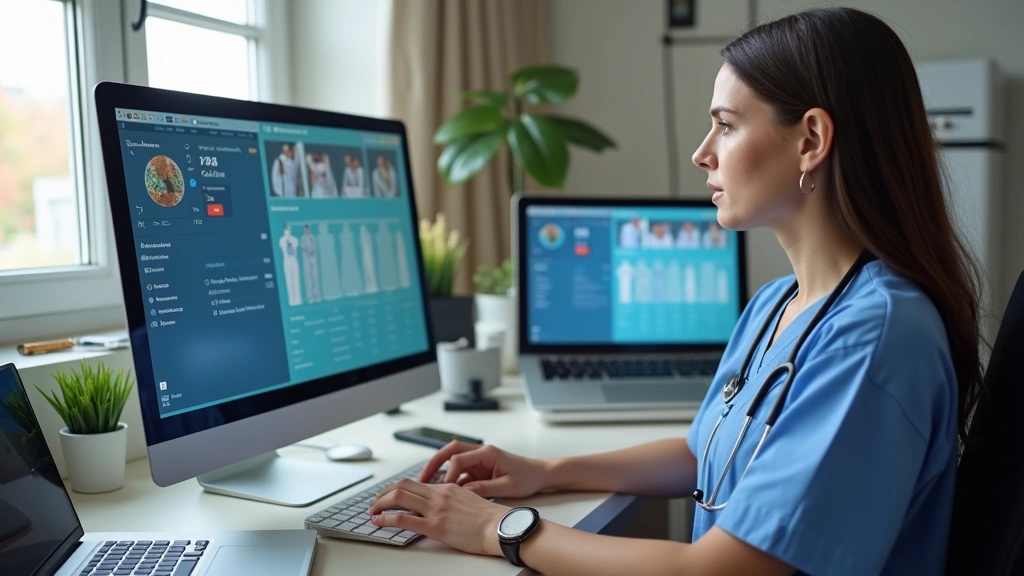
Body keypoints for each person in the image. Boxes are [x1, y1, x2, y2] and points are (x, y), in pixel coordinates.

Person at [365, 8, 983, 576]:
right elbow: (702, 453)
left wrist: (502, 529)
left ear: (811, 140)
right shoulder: (777, 304)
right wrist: (546, 472)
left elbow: (715, 571)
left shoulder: (874, 336)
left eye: (726, 126)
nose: (701, 153)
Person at [278, 223, 301, 306]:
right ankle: (291, 301)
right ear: (284, 230)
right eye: (287, 229)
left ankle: (297, 299)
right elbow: (282, 244)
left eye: (289, 228)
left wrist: (289, 238)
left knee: (296, 280)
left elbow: (295, 244)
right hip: (287, 261)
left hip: (294, 260)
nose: (288, 230)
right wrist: (286, 237)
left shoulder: (294, 239)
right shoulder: (282, 240)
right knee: (289, 281)